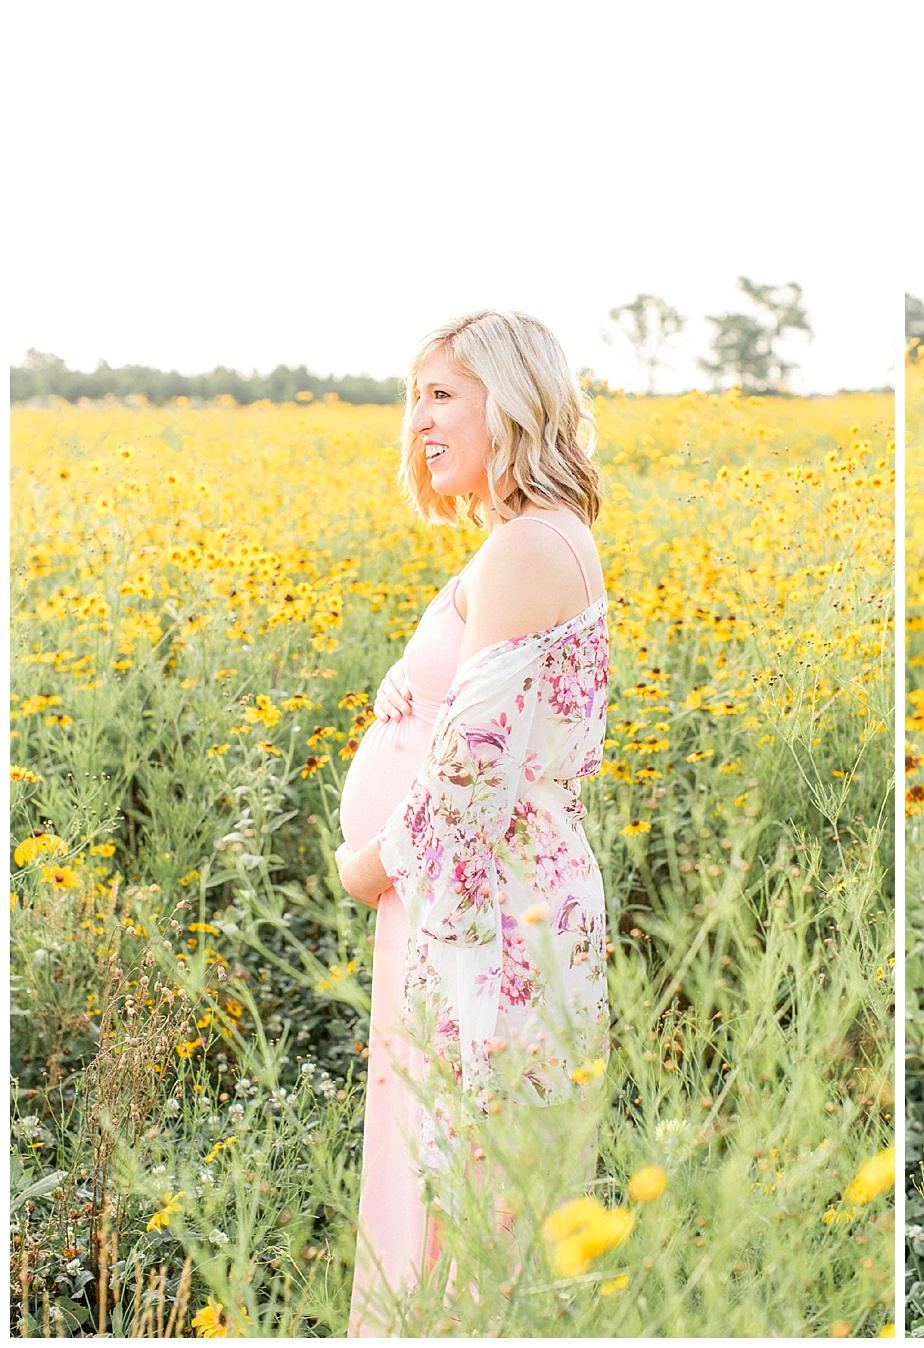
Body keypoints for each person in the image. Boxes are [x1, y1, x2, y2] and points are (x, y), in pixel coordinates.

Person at [333, 309, 613, 1336]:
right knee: (467, 1171)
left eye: (443, 395)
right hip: (477, 900)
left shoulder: (529, 548)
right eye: (415, 398)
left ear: (515, 401)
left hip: (484, 909)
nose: (420, 423)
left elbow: (472, 776)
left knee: (471, 1185)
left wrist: (369, 865)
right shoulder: (526, 541)